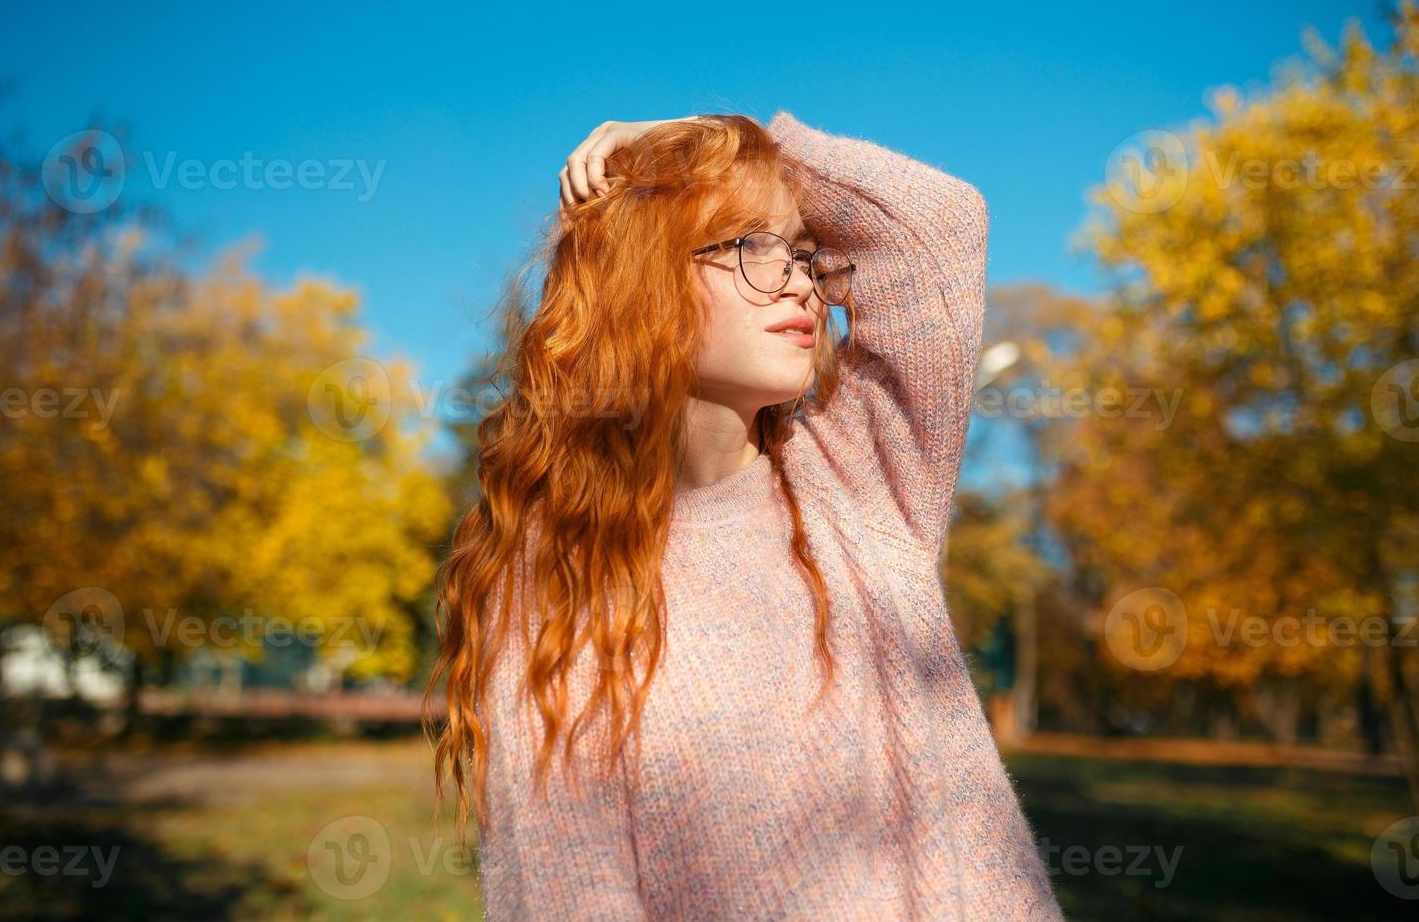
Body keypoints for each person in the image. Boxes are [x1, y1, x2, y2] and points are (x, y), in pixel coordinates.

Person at [422, 111, 1063, 920]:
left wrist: (735, 134)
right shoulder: (560, 567)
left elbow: (938, 224)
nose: (798, 278)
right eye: (746, 245)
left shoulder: (854, 474)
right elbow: (565, 886)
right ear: (639, 278)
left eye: (799, 250)